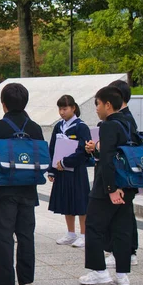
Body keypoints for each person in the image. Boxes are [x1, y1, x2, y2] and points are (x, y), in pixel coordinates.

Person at [0, 83, 45, 285]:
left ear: (4, 104)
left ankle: (5, 283)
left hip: (3, 189)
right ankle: (26, 281)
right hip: (28, 189)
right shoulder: (35, 128)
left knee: (3, 235)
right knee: (26, 235)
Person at [79, 86, 136, 285]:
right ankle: (122, 276)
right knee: (122, 230)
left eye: (98, 104)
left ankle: (99, 272)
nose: (96, 109)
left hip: (108, 186)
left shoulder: (109, 125)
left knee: (93, 226)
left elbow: (108, 158)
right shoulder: (129, 122)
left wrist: (112, 188)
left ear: (108, 105)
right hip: (129, 184)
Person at [104, 80, 140, 267]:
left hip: (122, 174)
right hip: (127, 174)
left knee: (122, 215)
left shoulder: (122, 120)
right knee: (125, 214)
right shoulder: (126, 118)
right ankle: (125, 251)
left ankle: (125, 251)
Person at [50, 95, 92, 248]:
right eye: (60, 109)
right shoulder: (58, 126)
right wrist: (52, 169)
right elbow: (52, 148)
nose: (62, 112)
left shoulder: (81, 126)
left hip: (77, 170)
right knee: (66, 200)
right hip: (61, 170)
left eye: (65, 109)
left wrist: (66, 161)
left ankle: (84, 234)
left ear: (73, 108)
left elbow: (84, 150)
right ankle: (70, 233)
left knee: (80, 201)